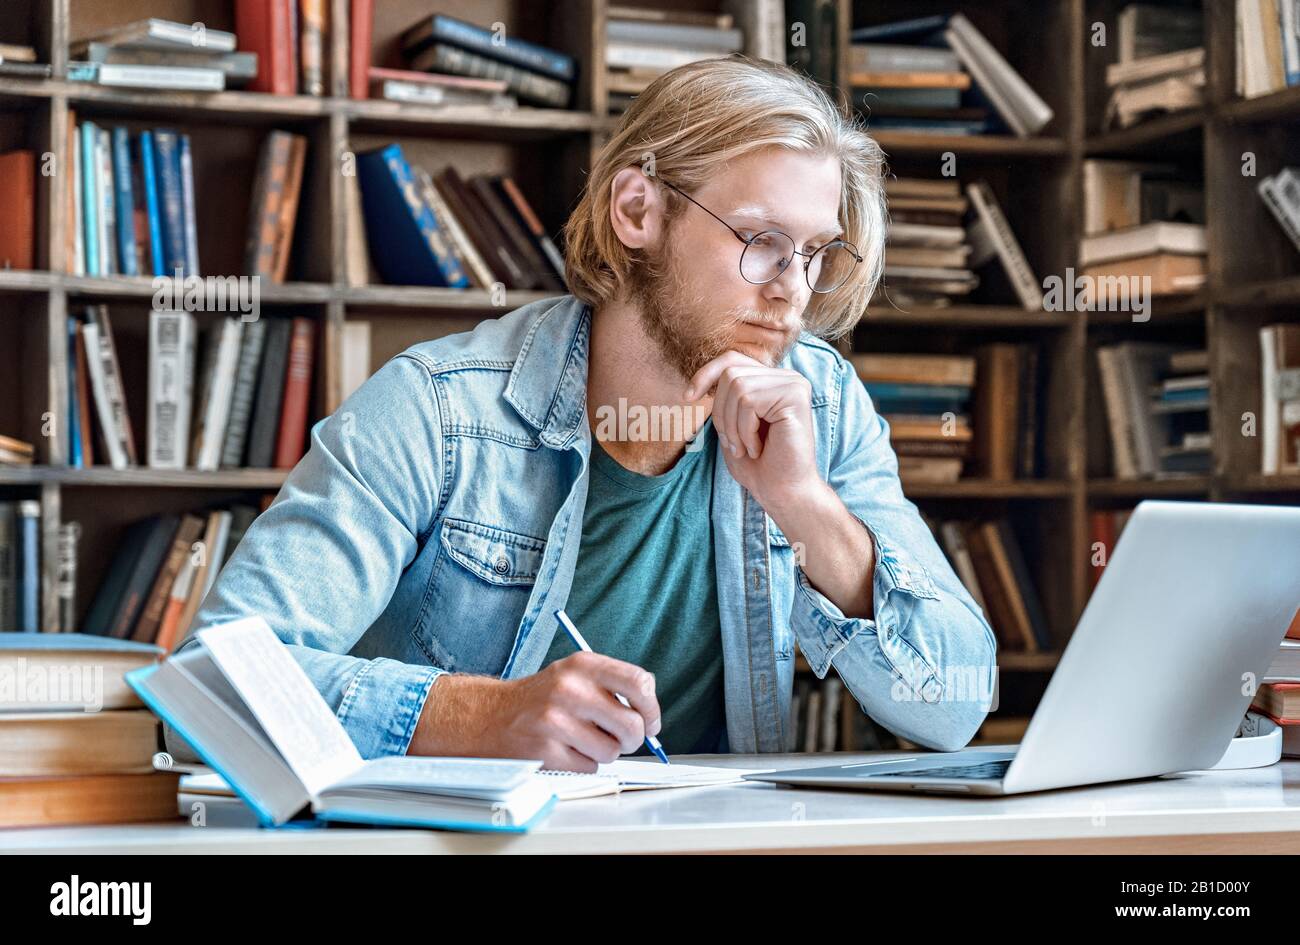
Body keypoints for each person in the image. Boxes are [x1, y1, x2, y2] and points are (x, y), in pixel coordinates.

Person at [164, 55, 996, 772]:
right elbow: (207, 691)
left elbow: (952, 705)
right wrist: (483, 717)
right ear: (638, 211)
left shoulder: (819, 405)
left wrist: (808, 509)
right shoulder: (439, 408)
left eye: (815, 253)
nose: (792, 289)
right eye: (761, 241)